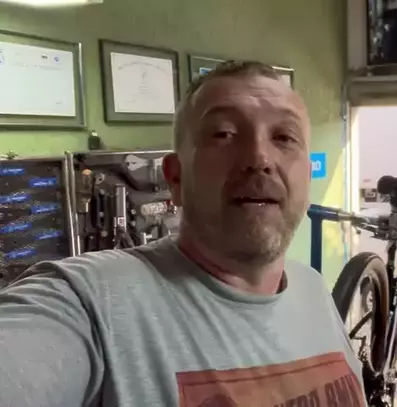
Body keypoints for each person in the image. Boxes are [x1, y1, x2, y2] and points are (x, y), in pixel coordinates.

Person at [0, 61, 365, 407]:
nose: (259, 158)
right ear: (175, 177)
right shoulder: (88, 303)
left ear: (307, 175)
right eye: (224, 134)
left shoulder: (312, 288)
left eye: (284, 137)